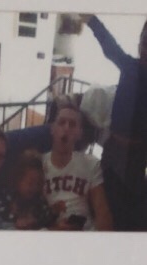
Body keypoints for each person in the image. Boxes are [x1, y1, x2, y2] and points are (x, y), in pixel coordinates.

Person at [83, 14, 147, 230]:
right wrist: (92, 21)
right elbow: (109, 46)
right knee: (104, 198)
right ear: (140, 44)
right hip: (113, 149)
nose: (146, 48)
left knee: (129, 207)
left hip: (138, 154)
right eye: (144, 41)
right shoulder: (129, 65)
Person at [41, 98, 113, 231]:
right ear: (52, 129)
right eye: (61, 122)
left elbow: (102, 212)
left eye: (72, 124)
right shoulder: (39, 164)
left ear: (79, 133)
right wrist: (54, 229)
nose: (66, 128)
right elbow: (30, 212)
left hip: (84, 233)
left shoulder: (91, 164)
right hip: (49, 233)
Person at [0, 150, 55, 230]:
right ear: (18, 180)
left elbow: (46, 216)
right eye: (30, 183)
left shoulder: (39, 200)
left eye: (38, 183)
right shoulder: (7, 195)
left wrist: (35, 221)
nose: (34, 187)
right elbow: (0, 212)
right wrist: (16, 219)